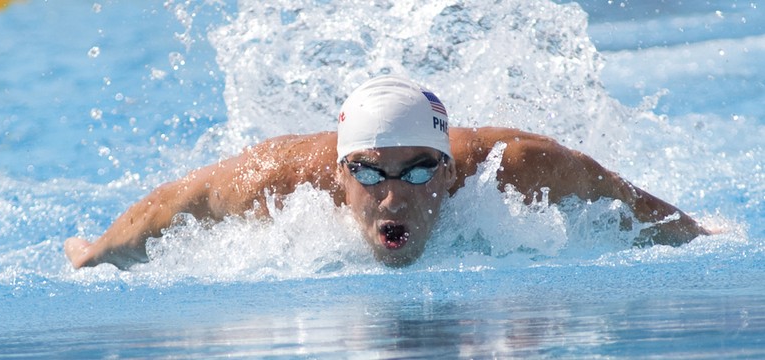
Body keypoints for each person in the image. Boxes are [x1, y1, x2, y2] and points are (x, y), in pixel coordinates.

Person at [64, 75, 710, 269]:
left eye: (421, 171)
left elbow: (636, 206)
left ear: (452, 170)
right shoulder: (275, 181)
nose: (396, 193)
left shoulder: (520, 168)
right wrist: (89, 256)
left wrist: (705, 242)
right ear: (340, 176)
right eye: (370, 175)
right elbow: (161, 211)